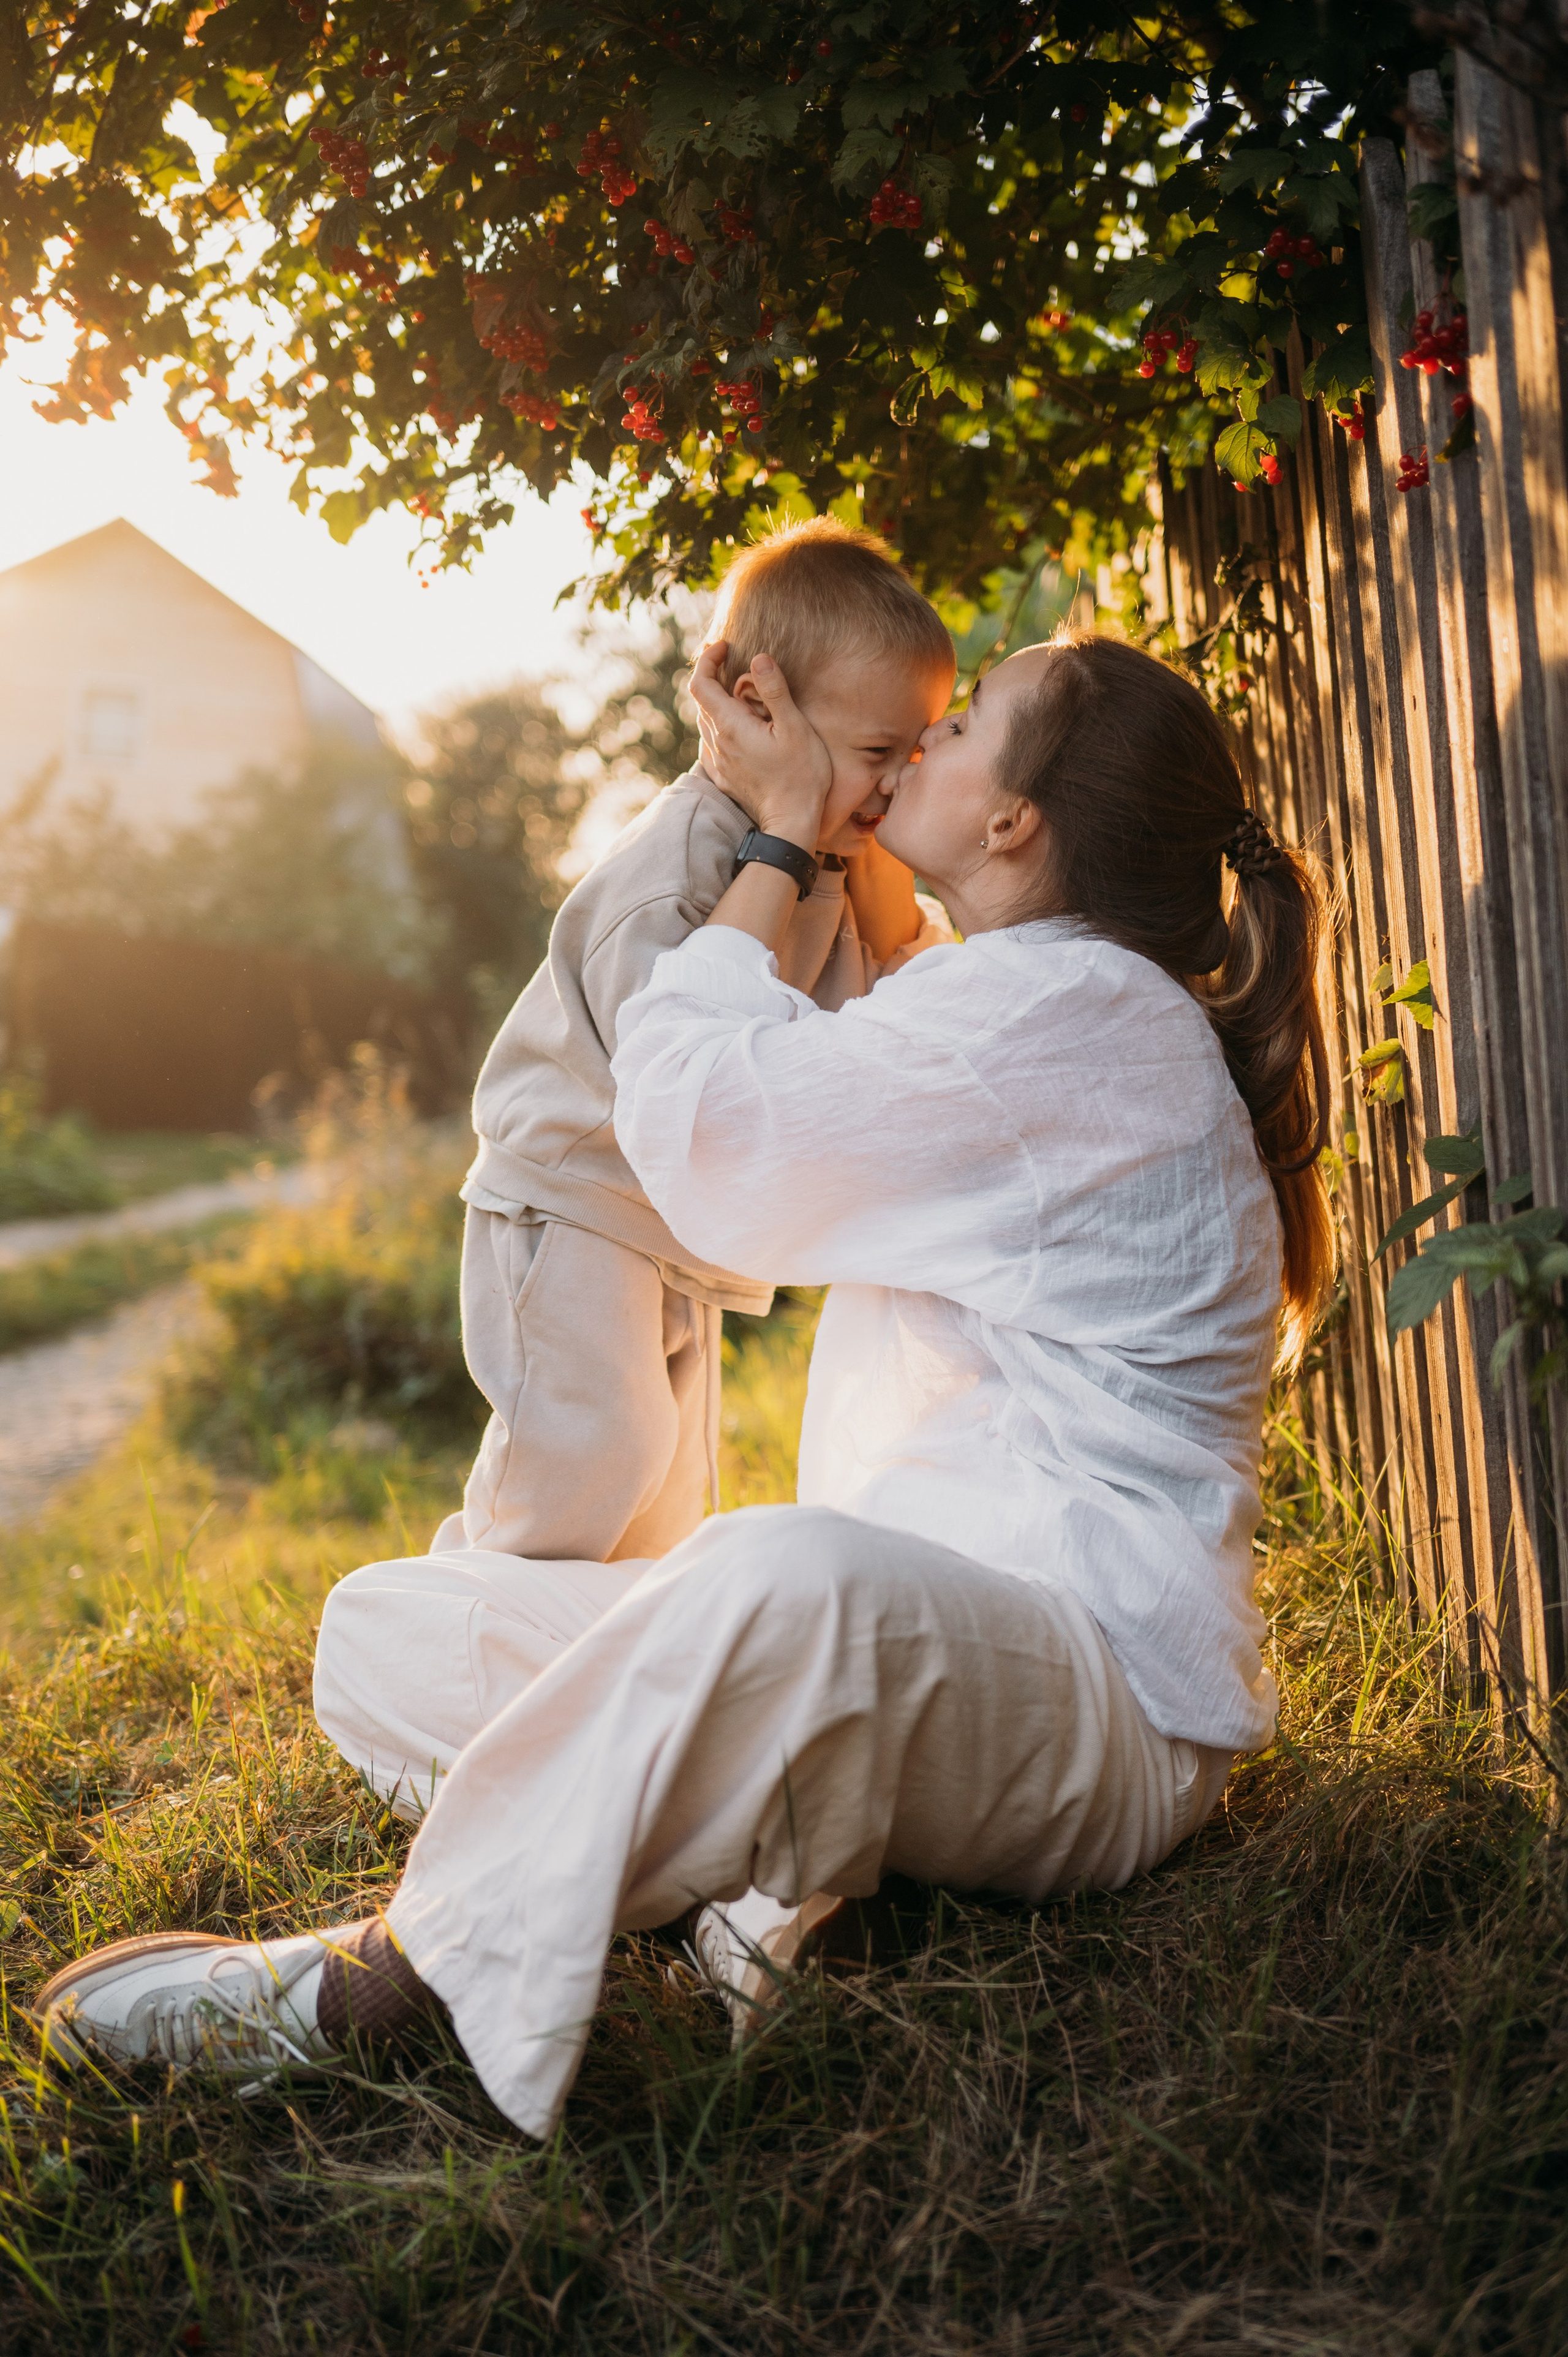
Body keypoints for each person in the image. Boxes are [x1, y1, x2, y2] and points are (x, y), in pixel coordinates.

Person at [37, 629, 1335, 2146]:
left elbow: (711, 1132)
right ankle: (771, 1871)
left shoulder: (1073, 1018)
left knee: (785, 1573)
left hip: (1091, 1708)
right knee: (389, 1629)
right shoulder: (1030, 1001)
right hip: (932, 1670)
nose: (920, 738)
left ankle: (391, 1979)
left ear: (1011, 823)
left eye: (964, 721)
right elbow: (831, 1085)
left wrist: (783, 834)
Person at [435, 516, 956, 1567]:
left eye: (914, 753)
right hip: (573, 1197)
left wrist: (873, 841)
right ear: (761, 713)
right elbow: (664, 1064)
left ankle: (595, 1672)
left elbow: (868, 1016)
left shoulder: (835, 865)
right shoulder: (684, 863)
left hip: (664, 1228)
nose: (897, 783)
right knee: (583, 1459)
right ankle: (463, 1622)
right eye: (872, 755)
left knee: (664, 1490)